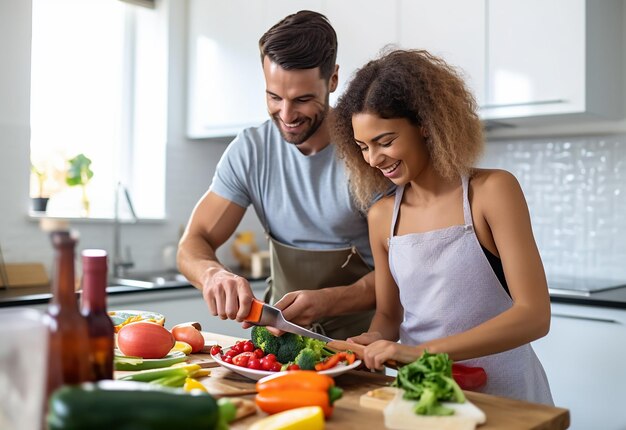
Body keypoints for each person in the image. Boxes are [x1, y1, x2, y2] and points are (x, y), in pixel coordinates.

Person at [331, 49, 553, 404]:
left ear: (425, 124)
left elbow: (535, 316)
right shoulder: (382, 216)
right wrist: (375, 339)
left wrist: (425, 353)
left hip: (507, 396)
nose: (373, 159)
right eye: (363, 147)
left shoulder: (492, 192)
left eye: (385, 142)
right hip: (425, 395)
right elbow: (389, 314)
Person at [177, 10, 376, 340]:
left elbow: (401, 275)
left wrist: (327, 302)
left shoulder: (369, 151)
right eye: (274, 97)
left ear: (333, 80)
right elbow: (193, 244)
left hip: (362, 343)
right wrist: (212, 274)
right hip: (278, 339)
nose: (286, 115)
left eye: (302, 99)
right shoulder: (251, 151)